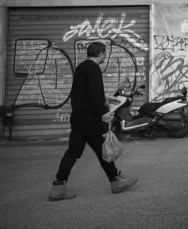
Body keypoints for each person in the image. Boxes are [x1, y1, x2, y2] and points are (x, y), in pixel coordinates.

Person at [48, 42, 138, 201]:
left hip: (78, 117)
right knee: (102, 149)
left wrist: (105, 99)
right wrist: (104, 112)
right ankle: (115, 181)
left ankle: (58, 186)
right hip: (91, 118)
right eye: (105, 53)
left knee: (73, 151)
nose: (105, 56)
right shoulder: (94, 68)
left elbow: (85, 93)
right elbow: (94, 93)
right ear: (101, 53)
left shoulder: (81, 67)